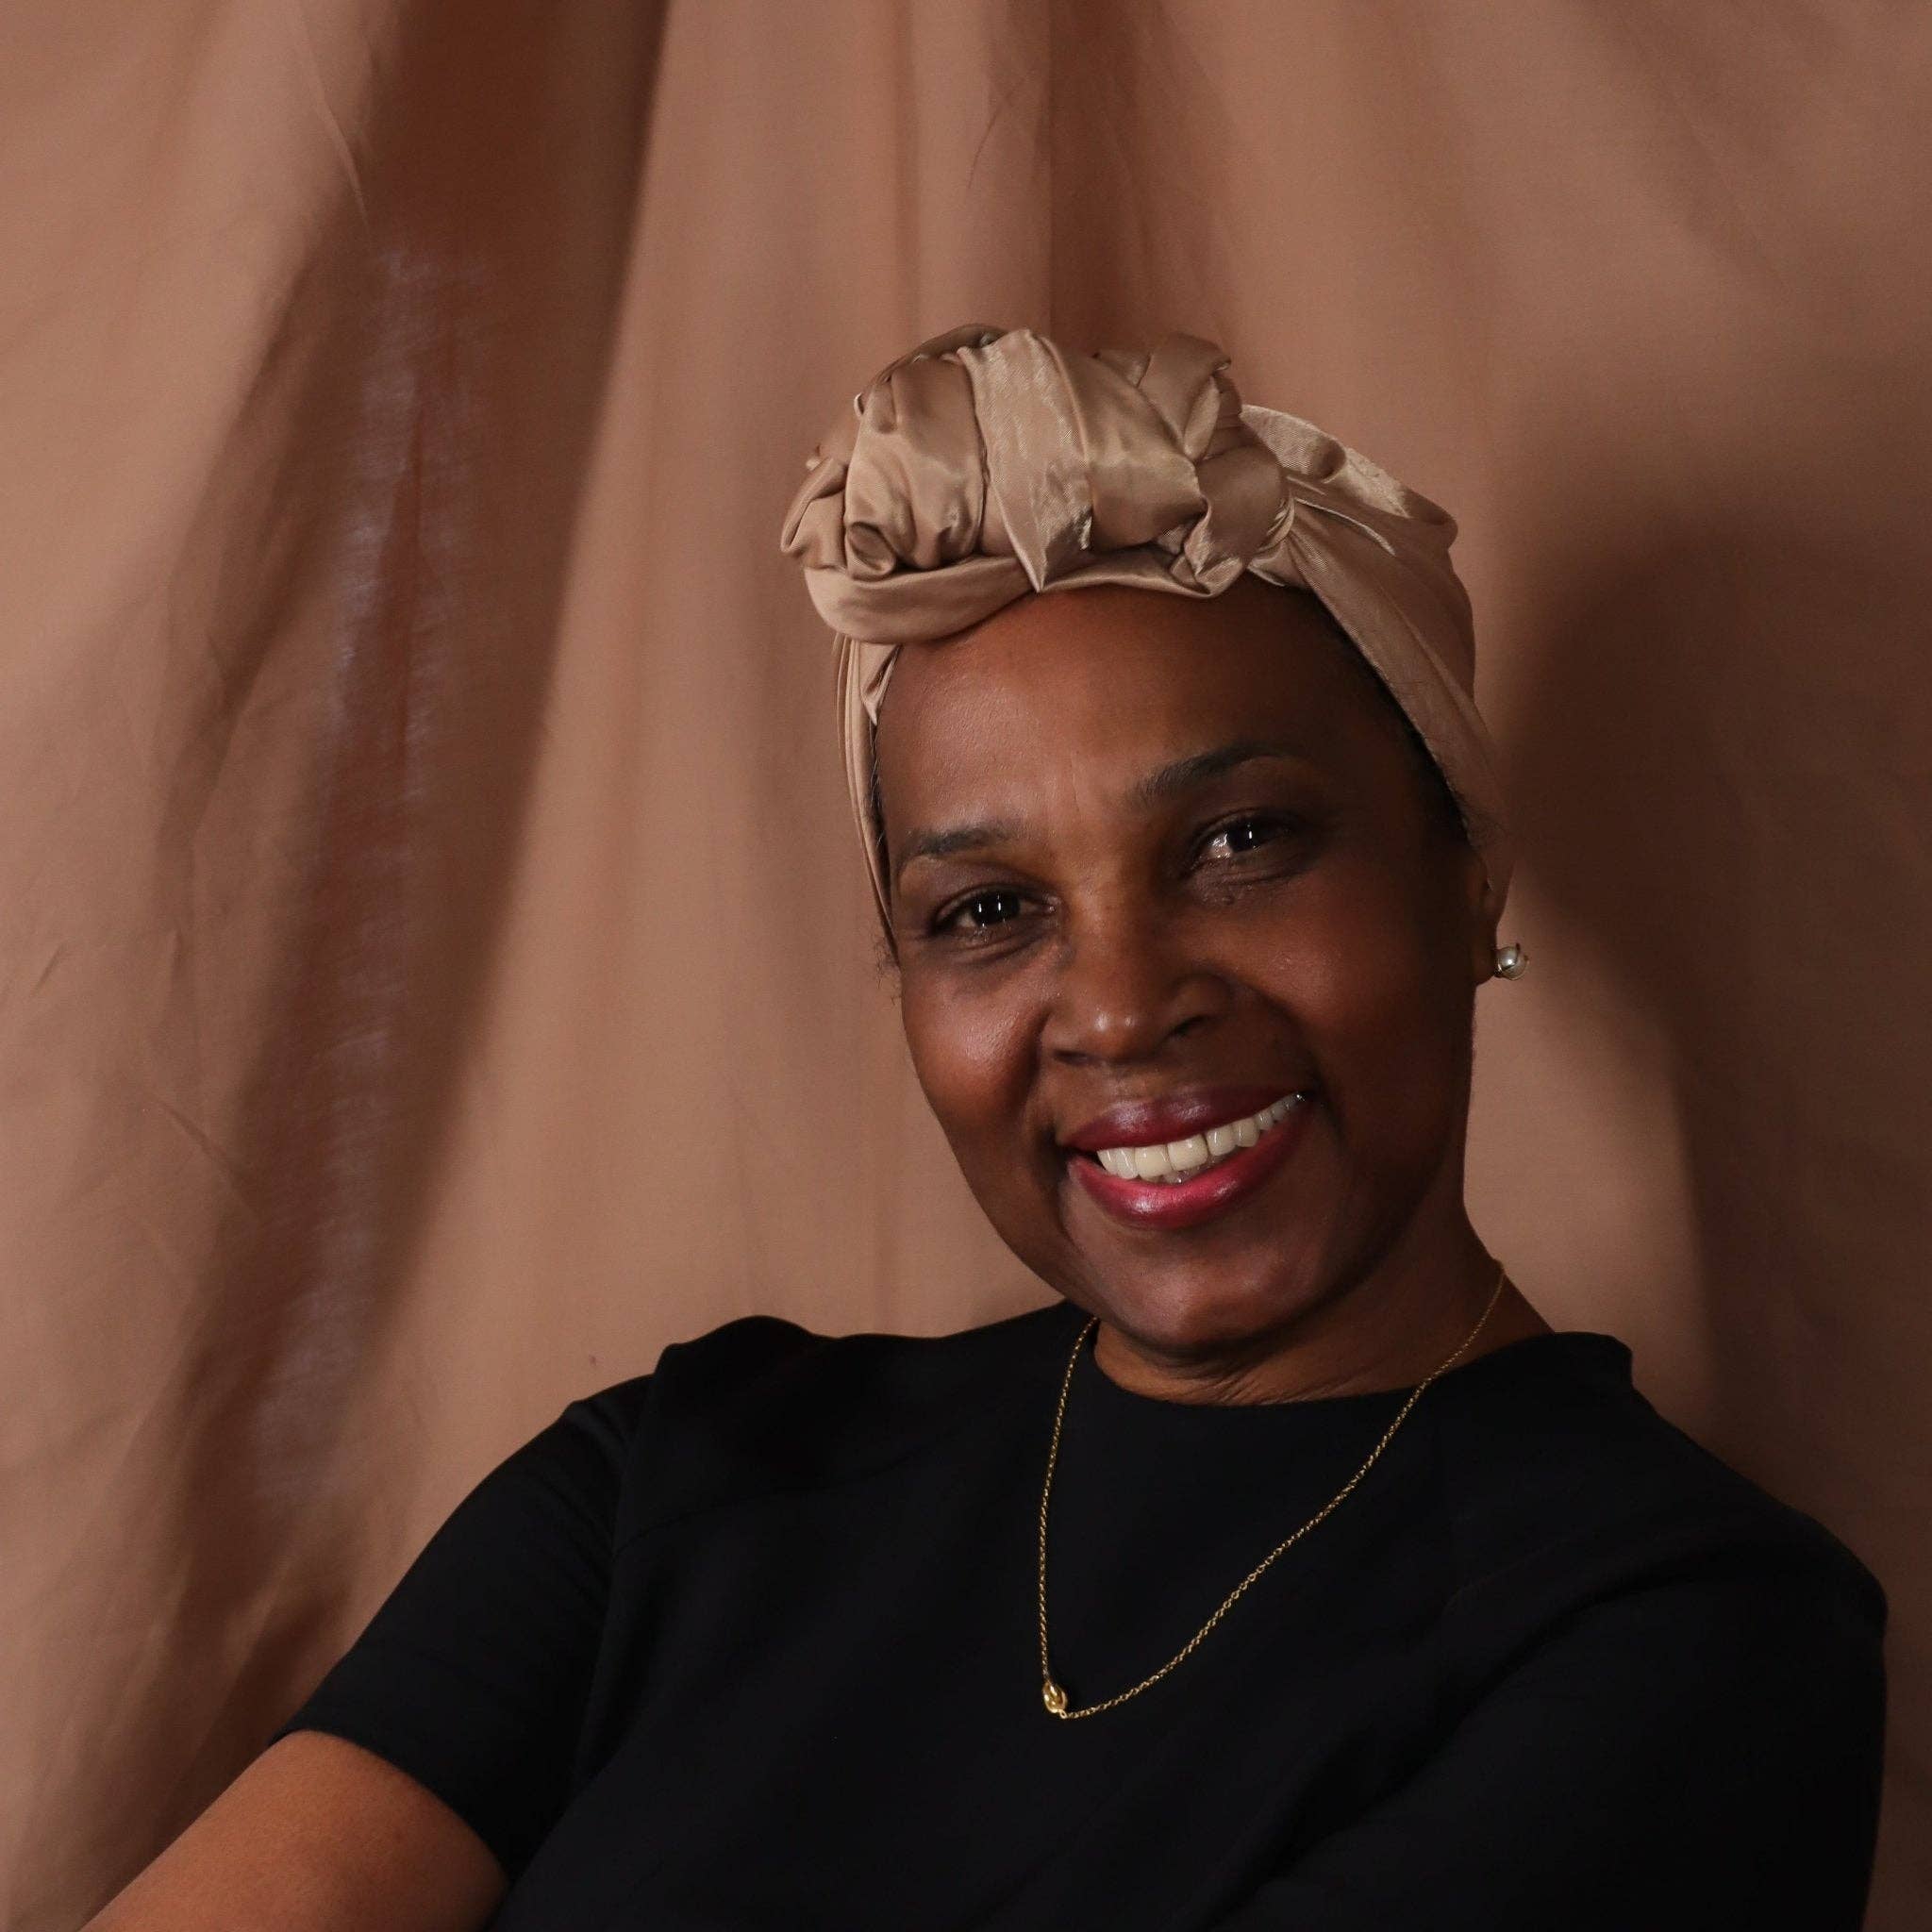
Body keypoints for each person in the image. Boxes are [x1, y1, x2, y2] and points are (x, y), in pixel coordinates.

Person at [88, 325, 1887, 1930]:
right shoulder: (673, 1485)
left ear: (1463, 872)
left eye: (1241, 842)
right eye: (989, 911)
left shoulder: (1691, 1645)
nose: (1119, 1006)